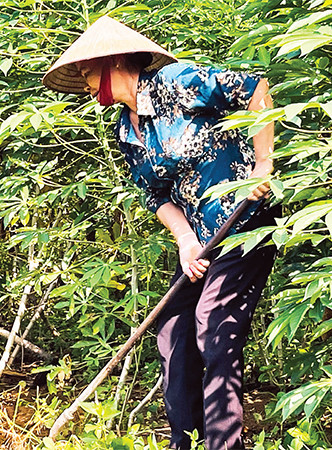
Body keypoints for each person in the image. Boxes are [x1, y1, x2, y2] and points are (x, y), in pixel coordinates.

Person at [43, 16, 279, 450]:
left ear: (115, 62)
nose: (86, 82)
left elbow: (254, 88)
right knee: (172, 329)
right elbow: (156, 196)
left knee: (214, 324)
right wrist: (185, 241)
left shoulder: (177, 82)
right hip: (200, 238)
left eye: (88, 71)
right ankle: (183, 442)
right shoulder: (125, 130)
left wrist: (263, 162)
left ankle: (224, 445)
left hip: (243, 221)